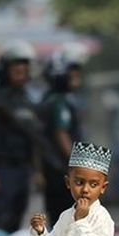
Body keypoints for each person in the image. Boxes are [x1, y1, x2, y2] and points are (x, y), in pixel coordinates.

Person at [30, 142, 115, 236]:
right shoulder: (65, 216)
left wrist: (80, 222)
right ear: (68, 182)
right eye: (79, 182)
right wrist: (40, 233)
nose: (85, 189)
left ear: (103, 187)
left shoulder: (102, 218)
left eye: (94, 184)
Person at [0, 40, 39, 234]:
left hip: (23, 168)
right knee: (1, 221)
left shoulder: (29, 100)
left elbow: (35, 139)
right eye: (15, 65)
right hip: (2, 169)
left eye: (24, 65)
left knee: (18, 217)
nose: (21, 69)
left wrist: (37, 171)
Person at [37, 43, 91, 224]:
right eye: (72, 72)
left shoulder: (50, 99)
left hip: (56, 171)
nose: (76, 77)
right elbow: (62, 134)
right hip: (64, 170)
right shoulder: (60, 101)